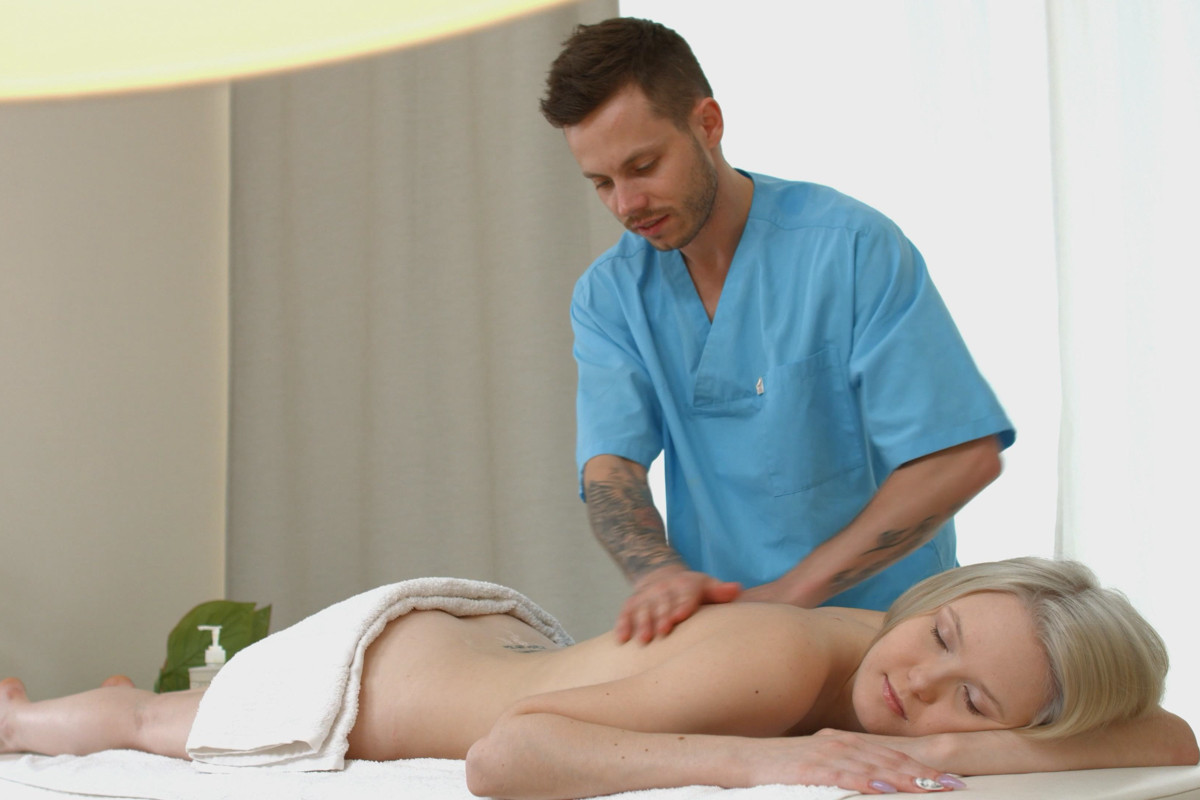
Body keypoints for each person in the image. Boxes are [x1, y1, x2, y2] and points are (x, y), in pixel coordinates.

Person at [540, 17, 1017, 643]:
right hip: (733, 642)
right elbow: (611, 467)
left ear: (708, 123)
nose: (626, 204)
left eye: (644, 166)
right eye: (602, 183)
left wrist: (789, 596)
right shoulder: (610, 295)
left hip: (887, 633)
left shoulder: (850, 249)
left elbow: (959, 457)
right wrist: (658, 575)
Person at [1, 558, 1196, 798]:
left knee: (157, 709)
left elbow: (1171, 738)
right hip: (370, 677)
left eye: (973, 697)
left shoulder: (875, 666)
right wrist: (768, 758)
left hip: (469, 638)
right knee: (151, 719)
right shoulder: (788, 654)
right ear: (937, 597)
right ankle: (25, 717)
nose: (919, 683)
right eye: (941, 636)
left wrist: (940, 748)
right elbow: (507, 755)